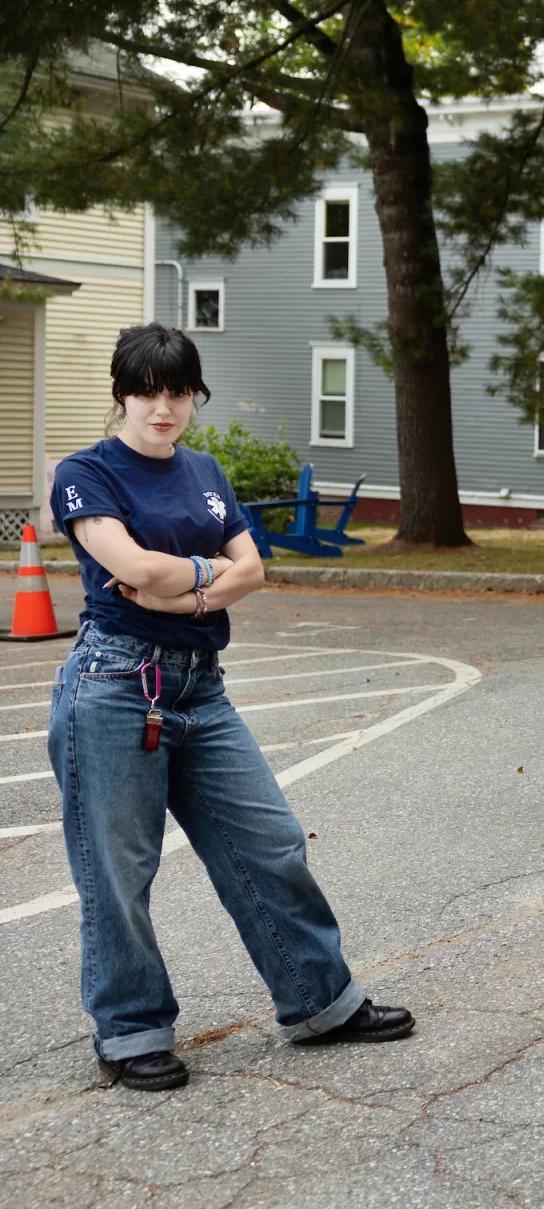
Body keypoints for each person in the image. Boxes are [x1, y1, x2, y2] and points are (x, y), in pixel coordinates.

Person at [47, 324, 412, 1092]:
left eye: (178, 392)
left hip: (200, 685)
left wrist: (184, 591)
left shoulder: (205, 470)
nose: (163, 407)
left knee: (270, 841)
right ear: (122, 392)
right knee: (120, 869)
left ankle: (321, 1002)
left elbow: (256, 569)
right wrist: (211, 573)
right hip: (115, 685)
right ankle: (131, 1029)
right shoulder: (86, 472)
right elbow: (131, 565)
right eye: (148, 390)